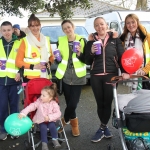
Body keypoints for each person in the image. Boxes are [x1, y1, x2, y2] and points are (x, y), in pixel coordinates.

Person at [85, 17, 129, 143]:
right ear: (94, 28)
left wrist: (125, 72)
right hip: (96, 76)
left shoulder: (115, 39)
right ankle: (104, 127)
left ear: (106, 25)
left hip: (111, 75)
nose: (100, 27)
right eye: (97, 25)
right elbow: (87, 61)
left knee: (108, 102)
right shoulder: (90, 41)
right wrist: (92, 52)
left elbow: (121, 57)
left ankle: (102, 128)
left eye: (102, 24)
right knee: (100, 103)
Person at [55, 20, 86, 136]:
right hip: (65, 75)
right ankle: (75, 126)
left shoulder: (82, 40)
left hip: (78, 76)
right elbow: (59, 60)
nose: (67, 30)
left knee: (73, 103)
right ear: (63, 30)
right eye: (65, 29)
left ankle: (63, 121)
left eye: (69, 27)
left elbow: (86, 59)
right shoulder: (60, 41)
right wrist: (57, 58)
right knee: (69, 103)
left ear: (73, 27)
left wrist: (79, 54)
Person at [18, 83, 61, 150]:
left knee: (52, 126)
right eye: (41, 94)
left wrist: (49, 117)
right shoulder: (39, 102)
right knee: (43, 128)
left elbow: (58, 113)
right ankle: (44, 144)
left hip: (51, 120)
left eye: (43, 95)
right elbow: (31, 106)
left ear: (50, 98)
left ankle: (55, 139)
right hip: (40, 120)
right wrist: (24, 113)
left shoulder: (54, 104)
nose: (41, 97)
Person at [15, 14, 54, 82]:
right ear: (29, 27)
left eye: (37, 25)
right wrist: (34, 66)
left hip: (45, 76)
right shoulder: (25, 41)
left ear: (40, 25)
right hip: (30, 79)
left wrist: (49, 63)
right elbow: (18, 62)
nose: (35, 28)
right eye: (32, 26)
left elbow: (51, 57)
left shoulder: (46, 40)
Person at [0, 21, 21, 140]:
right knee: (2, 107)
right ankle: (3, 129)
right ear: (1, 31)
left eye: (9, 30)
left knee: (14, 107)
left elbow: (24, 60)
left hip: (15, 82)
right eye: (4, 30)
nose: (7, 33)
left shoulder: (19, 43)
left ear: (13, 30)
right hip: (1, 82)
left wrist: (20, 72)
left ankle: (14, 129)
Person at [120, 13, 150, 92]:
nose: (131, 25)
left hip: (145, 75)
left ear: (137, 22)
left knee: (145, 101)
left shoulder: (146, 37)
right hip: (131, 76)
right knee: (134, 99)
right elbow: (122, 57)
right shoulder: (123, 39)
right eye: (128, 23)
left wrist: (145, 70)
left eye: (133, 22)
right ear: (126, 25)